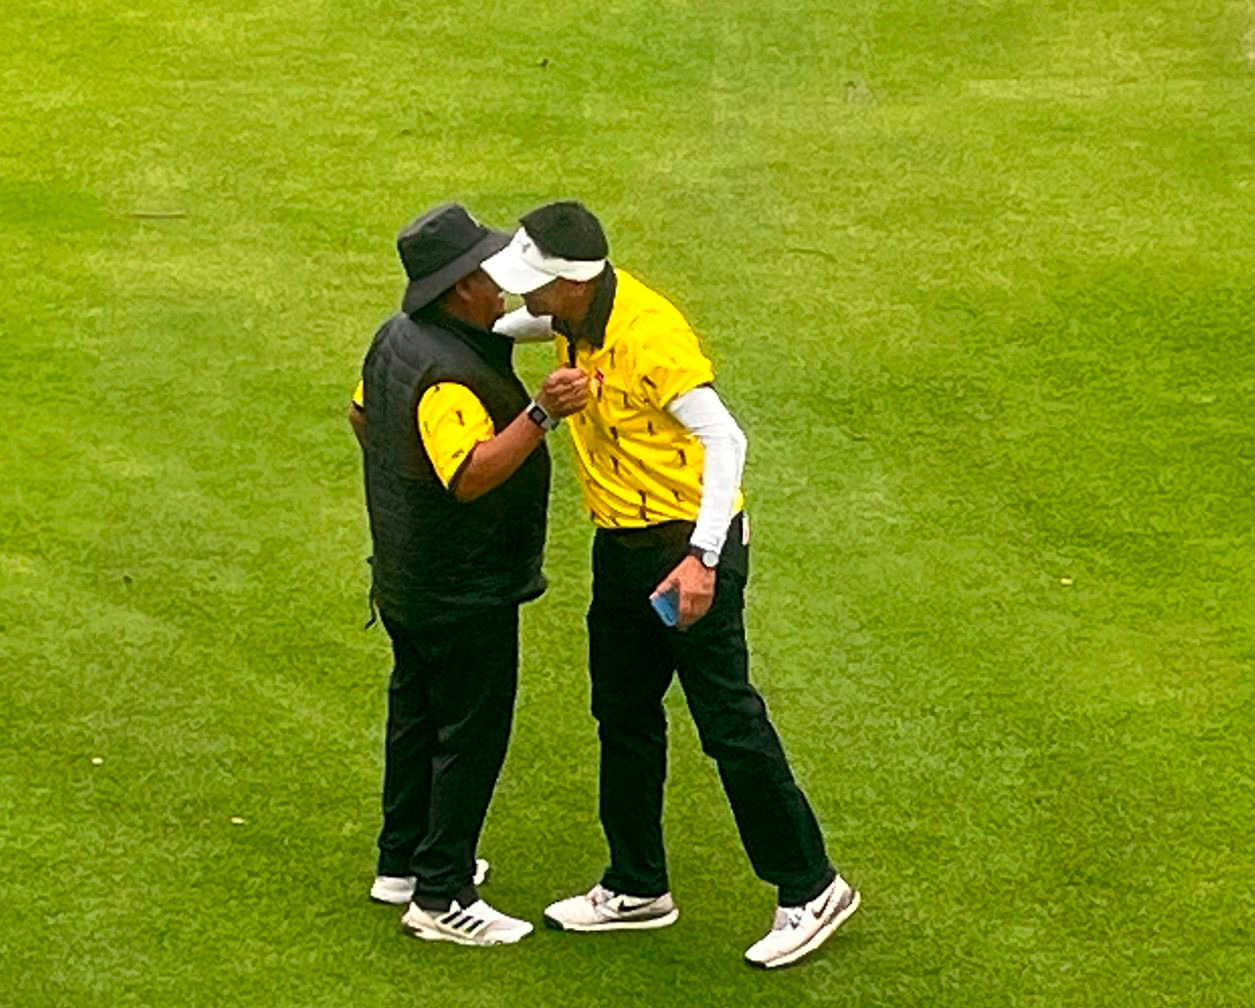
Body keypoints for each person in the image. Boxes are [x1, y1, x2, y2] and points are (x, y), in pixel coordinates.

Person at [484, 201, 860, 969]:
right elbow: (513, 324)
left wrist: (702, 558)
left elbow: (726, 437)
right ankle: (636, 883)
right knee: (621, 713)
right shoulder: (572, 314)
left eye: (533, 283)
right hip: (621, 545)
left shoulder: (650, 335)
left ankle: (811, 885)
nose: (525, 295)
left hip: (683, 548)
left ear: (572, 282)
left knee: (727, 721)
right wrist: (452, 318)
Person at [349, 203, 588, 947]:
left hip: (405, 576)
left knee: (417, 717)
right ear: (459, 288)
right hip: (460, 588)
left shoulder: (397, 338)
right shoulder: (448, 375)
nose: (502, 280)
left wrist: (401, 484)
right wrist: (541, 415)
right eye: (488, 271)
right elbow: (470, 475)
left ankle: (401, 863)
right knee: (470, 733)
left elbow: (362, 417)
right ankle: (442, 894)